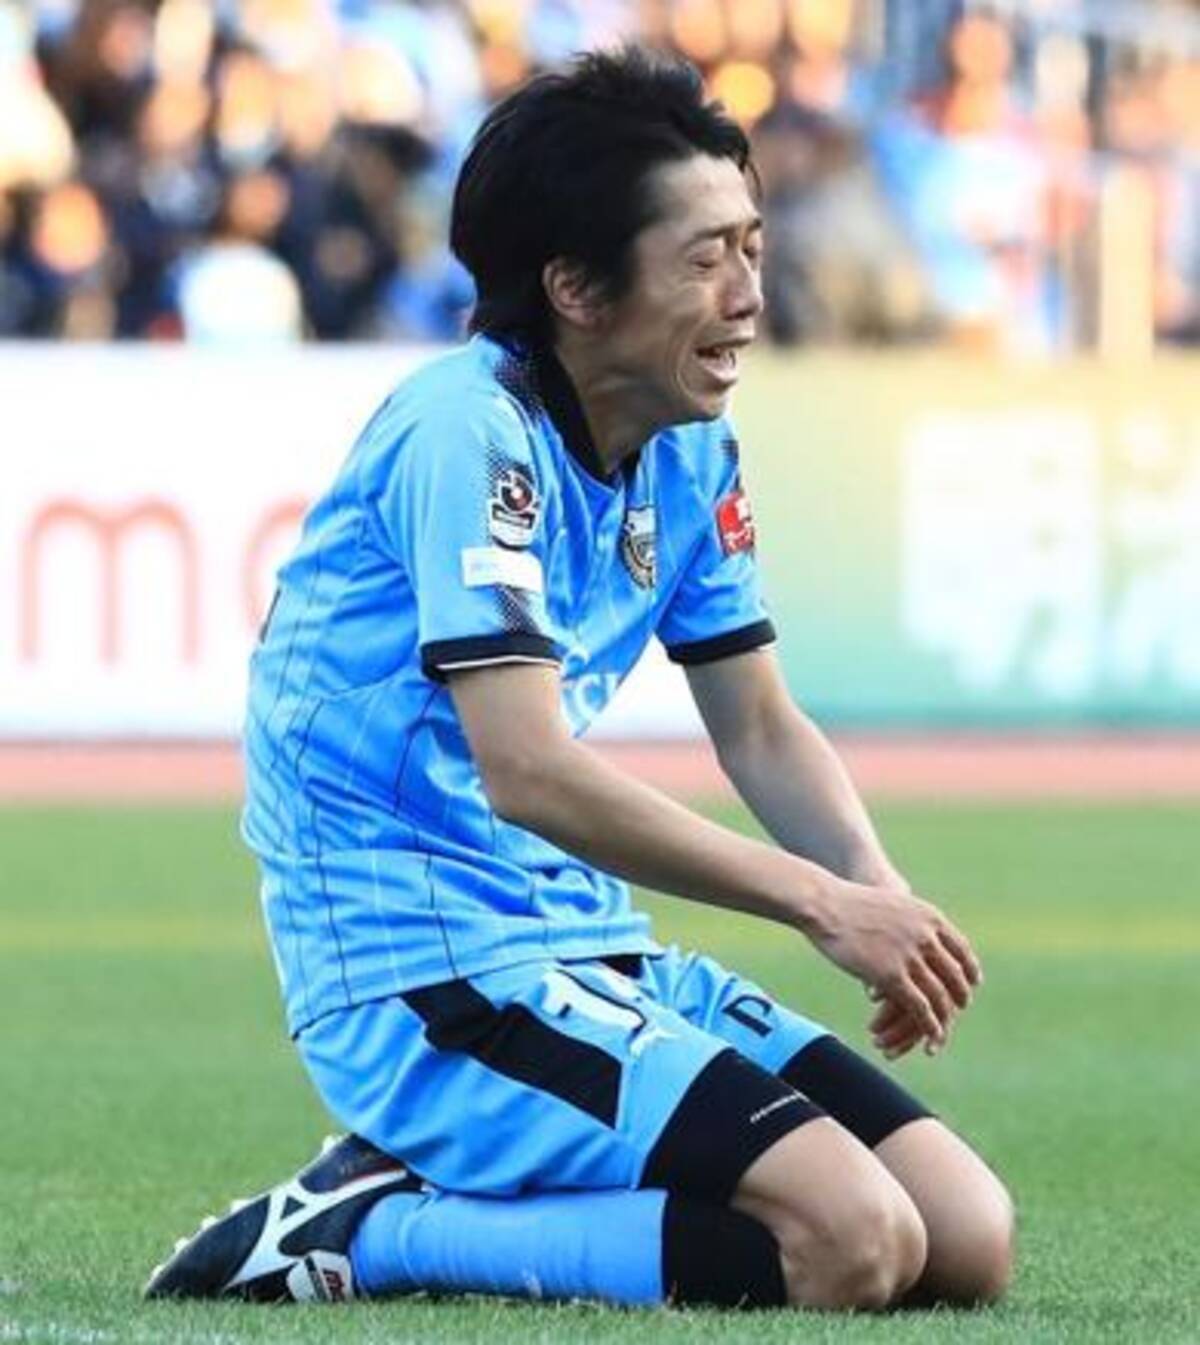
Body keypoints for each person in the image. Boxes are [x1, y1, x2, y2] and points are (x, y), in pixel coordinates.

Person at [145, 47, 1014, 1313]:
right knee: (852, 1243)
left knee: (966, 1237)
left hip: (575, 943)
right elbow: (529, 771)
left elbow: (761, 723)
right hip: (425, 972)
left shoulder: (691, 444)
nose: (748, 294)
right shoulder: (468, 430)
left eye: (754, 246)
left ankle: (460, 1200)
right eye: (705, 258)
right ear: (576, 286)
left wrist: (879, 900)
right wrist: (817, 902)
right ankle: (373, 1229)